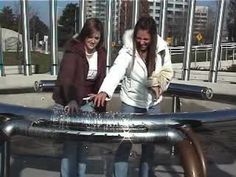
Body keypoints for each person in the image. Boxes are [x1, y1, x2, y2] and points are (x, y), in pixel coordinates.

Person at [93, 16, 173, 177]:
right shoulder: (128, 50)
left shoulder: (162, 49)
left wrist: (160, 85)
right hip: (131, 103)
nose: (142, 42)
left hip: (153, 105)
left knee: (149, 147)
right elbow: (117, 70)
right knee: (125, 144)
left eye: (146, 39)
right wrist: (105, 90)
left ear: (153, 38)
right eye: (138, 38)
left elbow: (168, 71)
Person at [52, 18, 106, 177]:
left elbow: (101, 78)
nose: (93, 41)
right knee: (70, 146)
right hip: (70, 102)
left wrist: (100, 97)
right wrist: (72, 99)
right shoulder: (73, 51)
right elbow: (66, 78)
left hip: (88, 103)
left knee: (84, 146)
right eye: (90, 36)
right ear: (84, 35)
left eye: (97, 38)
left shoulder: (101, 53)